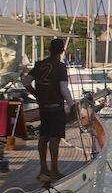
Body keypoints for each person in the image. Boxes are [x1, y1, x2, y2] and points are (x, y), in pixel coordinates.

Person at [21, 38, 74, 183]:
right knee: (54, 139)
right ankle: (55, 170)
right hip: (56, 107)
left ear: (49, 50)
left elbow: (25, 82)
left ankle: (43, 169)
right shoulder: (60, 66)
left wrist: (37, 95)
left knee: (43, 137)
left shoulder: (39, 65)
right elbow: (63, 89)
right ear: (62, 51)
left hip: (44, 107)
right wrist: (72, 104)